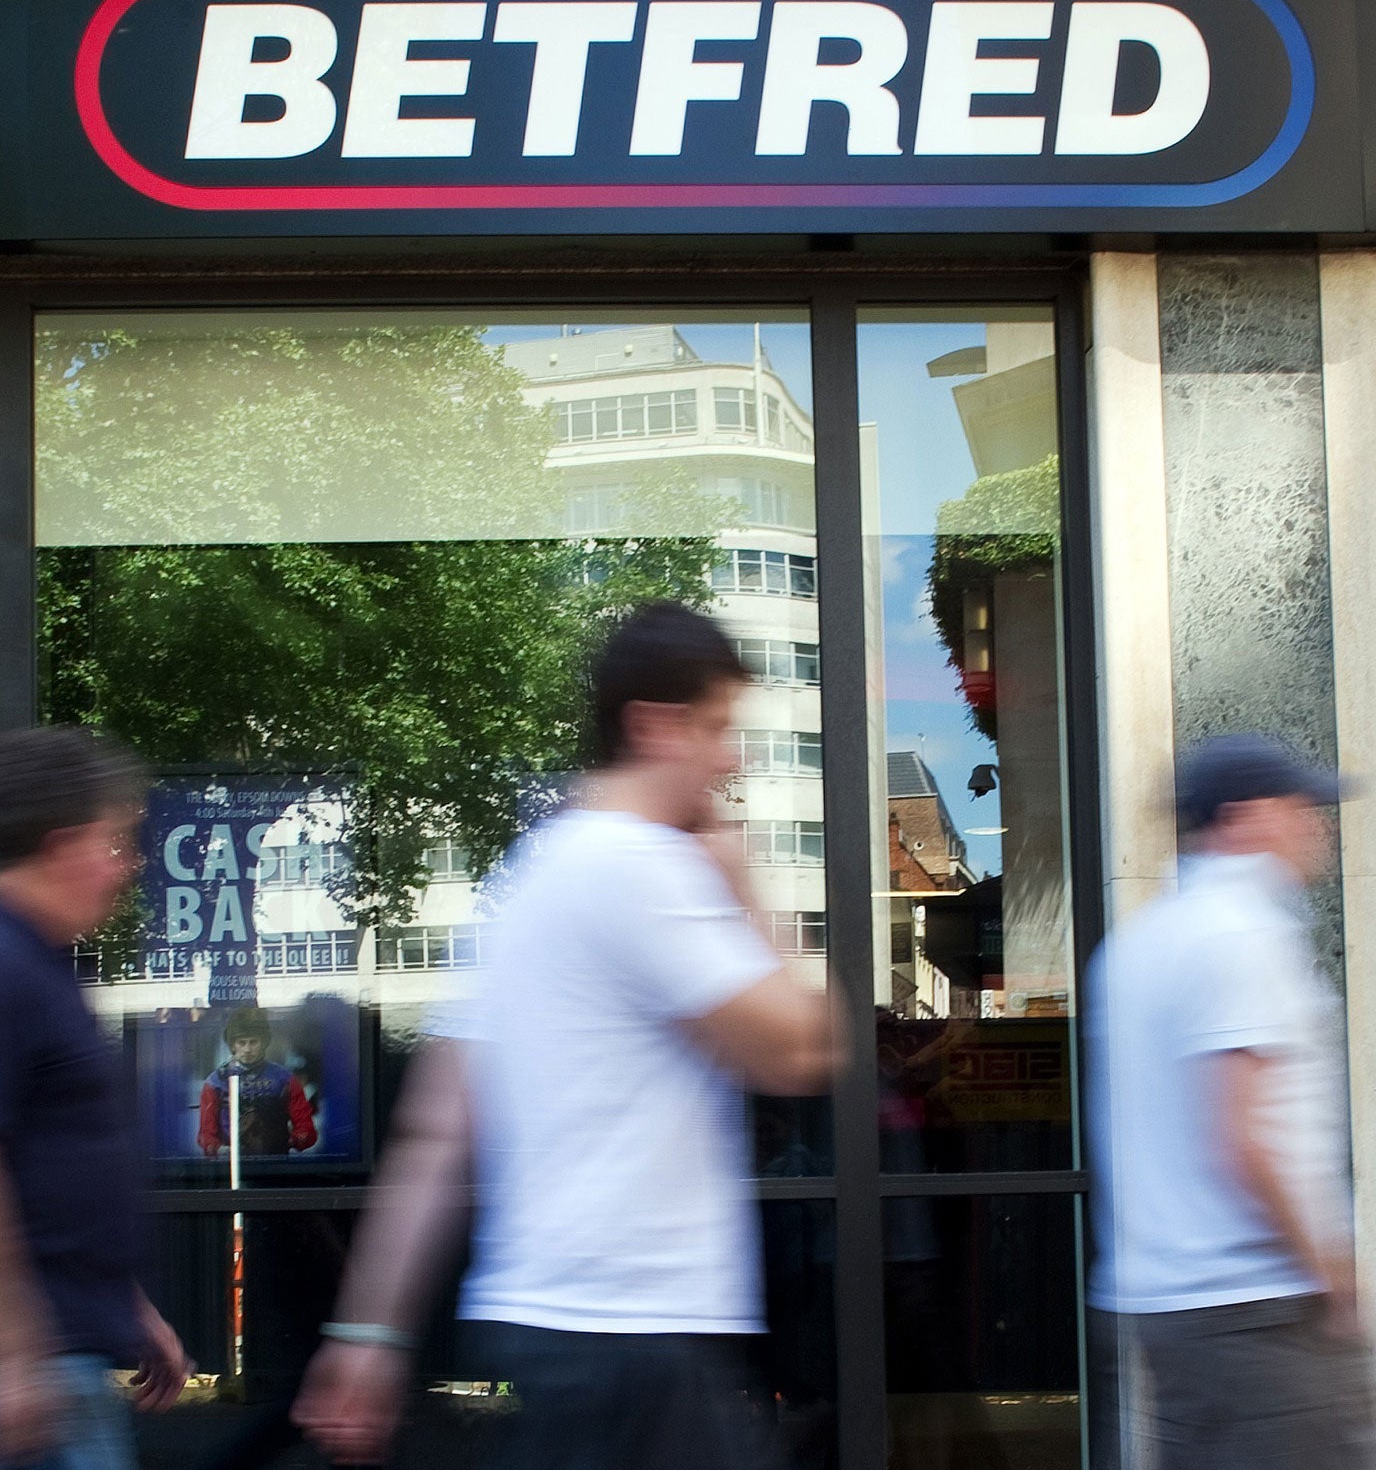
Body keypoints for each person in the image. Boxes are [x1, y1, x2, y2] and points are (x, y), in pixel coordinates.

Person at [292, 602, 839, 1469]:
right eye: (719, 727)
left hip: (538, 1333)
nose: (732, 757)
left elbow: (437, 1131)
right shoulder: (643, 868)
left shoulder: (532, 874)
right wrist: (743, 883)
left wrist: (366, 1333)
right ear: (655, 727)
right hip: (642, 1340)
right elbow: (805, 1053)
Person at [1084, 733, 1372, 1470]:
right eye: (1302, 808)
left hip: (1167, 1314)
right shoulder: (1242, 934)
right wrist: (1333, 1274)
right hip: (1260, 1313)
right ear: (1242, 819)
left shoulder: (1136, 944)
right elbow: (1243, 1138)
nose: (1319, 826)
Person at [0, 726, 190, 1469]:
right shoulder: (9, 967)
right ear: (62, 846)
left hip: (62, 1356)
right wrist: (13, 1354)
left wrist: (128, 1308)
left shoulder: (40, 963)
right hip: (37, 1374)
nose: (127, 868)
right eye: (116, 843)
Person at [196, 1007, 317, 1159]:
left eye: (253, 1042)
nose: (247, 1049)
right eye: (242, 1043)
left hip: (276, 1165)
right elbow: (206, 1135)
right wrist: (220, 1150)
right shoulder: (215, 1083)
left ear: (264, 1042)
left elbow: (306, 1129)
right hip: (231, 1167)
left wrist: (289, 1142)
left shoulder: (285, 1079)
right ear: (233, 1045)